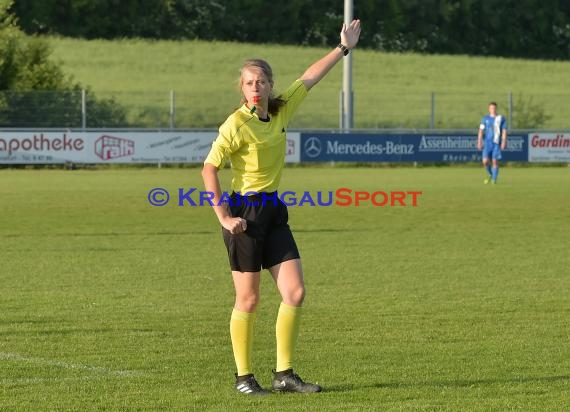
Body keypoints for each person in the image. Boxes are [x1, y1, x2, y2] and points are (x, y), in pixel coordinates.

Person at [201, 20, 361, 395]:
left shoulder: (281, 110)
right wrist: (224, 216)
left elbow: (308, 78)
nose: (255, 87)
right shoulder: (235, 125)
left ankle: (284, 375)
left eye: (261, 81)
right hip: (245, 214)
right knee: (249, 298)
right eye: (248, 82)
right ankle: (244, 378)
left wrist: (343, 48)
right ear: (241, 89)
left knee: (295, 292)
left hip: (273, 211)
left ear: (271, 84)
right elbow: (209, 168)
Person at [477, 102, 507, 184]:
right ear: (489, 109)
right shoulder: (485, 119)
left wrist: (504, 141)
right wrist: (479, 141)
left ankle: (494, 180)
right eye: (491, 108)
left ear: (496, 109)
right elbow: (481, 130)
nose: (493, 110)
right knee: (485, 161)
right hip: (487, 143)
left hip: (496, 143)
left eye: (494, 108)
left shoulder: (501, 118)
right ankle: (491, 174)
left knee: (494, 161)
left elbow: (504, 131)